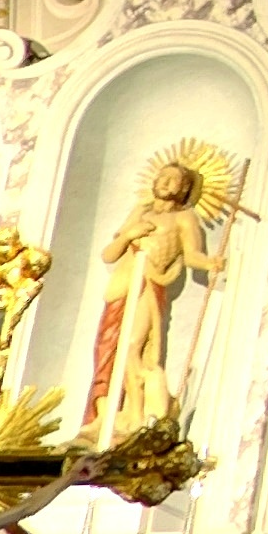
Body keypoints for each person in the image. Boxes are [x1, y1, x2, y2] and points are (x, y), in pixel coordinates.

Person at [90, 156, 227, 447]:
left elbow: (192, 256)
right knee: (111, 348)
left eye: (173, 180)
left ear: (184, 188)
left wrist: (211, 262)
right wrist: (130, 234)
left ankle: (138, 414)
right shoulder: (140, 212)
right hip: (123, 284)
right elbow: (109, 255)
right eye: (162, 177)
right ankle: (116, 415)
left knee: (131, 346)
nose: (164, 182)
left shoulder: (184, 218)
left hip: (151, 285)